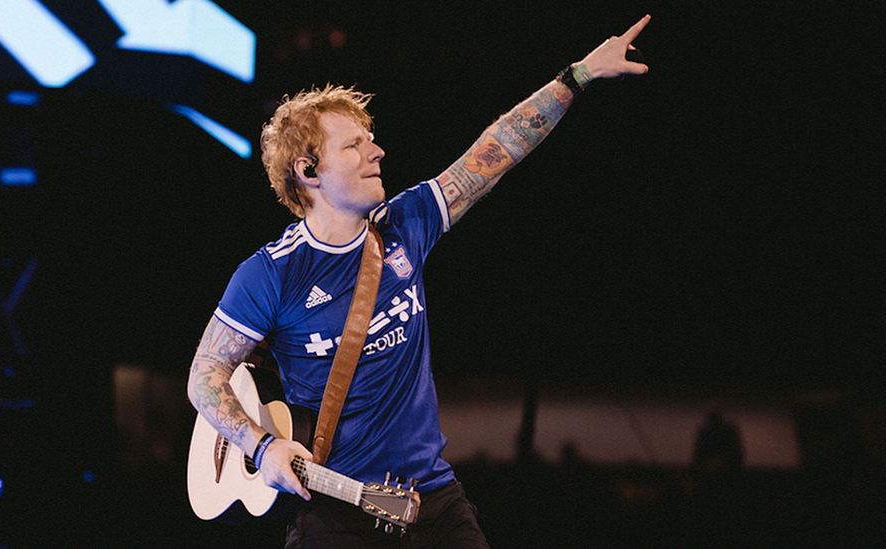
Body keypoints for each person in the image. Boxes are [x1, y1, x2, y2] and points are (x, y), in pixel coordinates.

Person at [187, 14, 651, 548]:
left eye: (372, 139)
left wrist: (578, 76)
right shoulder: (270, 274)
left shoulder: (405, 225)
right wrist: (261, 446)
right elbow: (205, 375)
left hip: (431, 502)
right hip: (334, 516)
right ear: (308, 171)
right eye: (354, 144)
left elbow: (497, 150)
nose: (376, 151)